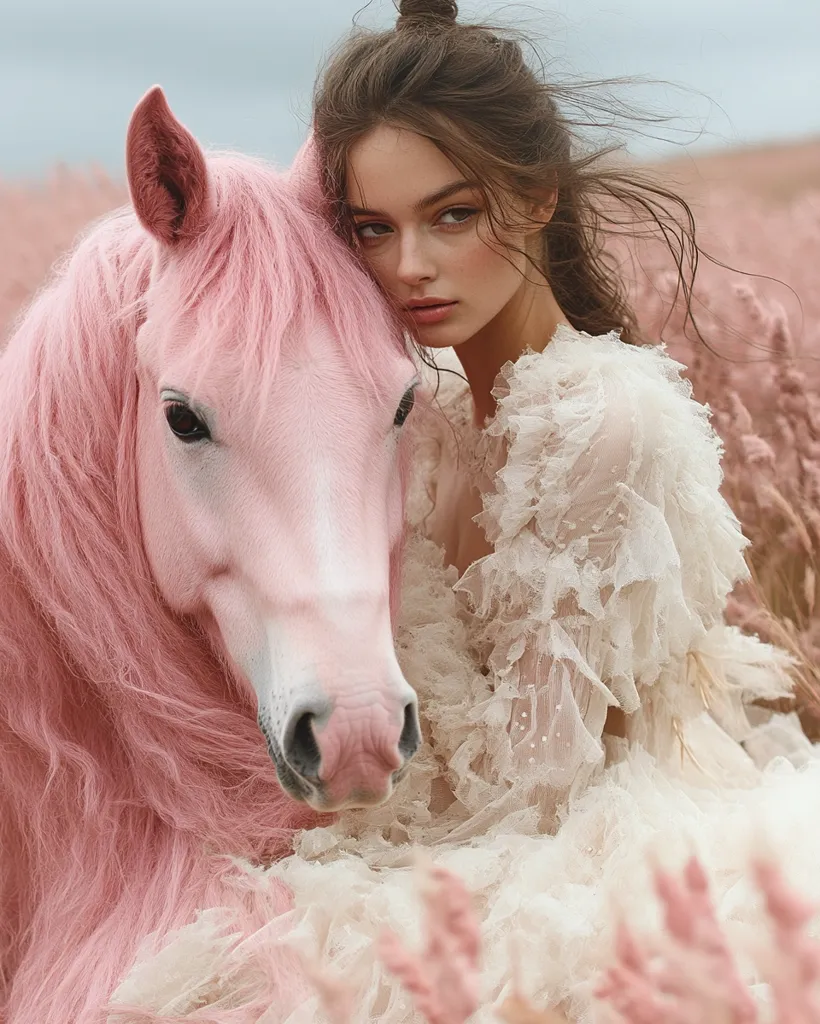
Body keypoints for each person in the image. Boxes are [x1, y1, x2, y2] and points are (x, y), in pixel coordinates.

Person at [111, 3, 820, 1019]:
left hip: (570, 858)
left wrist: (315, 827)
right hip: (441, 818)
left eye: (452, 215)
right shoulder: (428, 410)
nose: (408, 266)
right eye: (372, 228)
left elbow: (536, 784)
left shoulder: (604, 423)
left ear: (534, 199)